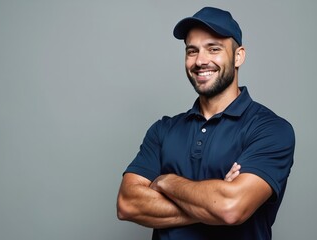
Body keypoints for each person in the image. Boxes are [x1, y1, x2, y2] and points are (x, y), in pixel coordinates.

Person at [117, 6, 295, 240]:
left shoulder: (270, 129)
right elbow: (127, 204)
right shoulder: (163, 130)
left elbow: (231, 208)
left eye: (214, 49)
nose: (201, 60)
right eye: (192, 51)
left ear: (238, 56)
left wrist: (165, 181)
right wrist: (213, 202)